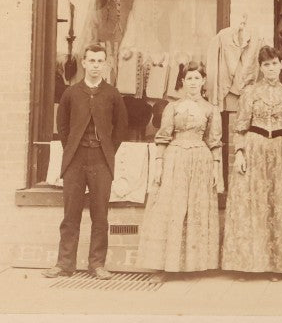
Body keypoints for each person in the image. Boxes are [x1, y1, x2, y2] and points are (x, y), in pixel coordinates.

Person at [48, 43, 129, 279]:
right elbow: (62, 126)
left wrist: (106, 151)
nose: (95, 65)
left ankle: (97, 265)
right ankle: (65, 265)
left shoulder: (112, 94)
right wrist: (73, 148)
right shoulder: (71, 93)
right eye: (91, 61)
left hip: (101, 160)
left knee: (100, 215)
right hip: (75, 159)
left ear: (105, 64)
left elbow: (121, 127)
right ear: (83, 63)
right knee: (70, 214)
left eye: (99, 61)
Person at [221, 45, 282, 279]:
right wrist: (239, 153)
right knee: (250, 206)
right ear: (260, 67)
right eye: (266, 64)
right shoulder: (250, 93)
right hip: (254, 147)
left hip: (280, 150)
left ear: (280, 65)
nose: (271, 68)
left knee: (276, 206)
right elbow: (240, 127)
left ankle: (274, 266)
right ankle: (247, 265)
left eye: (275, 63)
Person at [134, 63, 224, 273]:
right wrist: (159, 166)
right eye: (189, 79)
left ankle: (193, 266)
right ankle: (164, 266)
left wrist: (216, 170)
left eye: (197, 78)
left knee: (195, 209)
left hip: (200, 161)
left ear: (203, 82)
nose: (193, 83)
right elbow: (163, 137)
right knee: (170, 209)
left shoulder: (211, 110)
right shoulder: (172, 108)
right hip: (175, 160)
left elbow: (215, 142)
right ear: (183, 82)